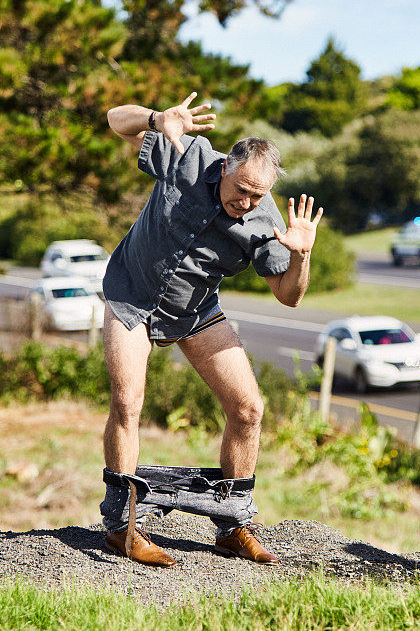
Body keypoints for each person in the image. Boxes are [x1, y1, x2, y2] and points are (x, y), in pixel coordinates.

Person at [99, 92, 323, 567]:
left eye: (256, 195)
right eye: (240, 188)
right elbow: (116, 121)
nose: (245, 202)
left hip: (195, 313)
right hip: (131, 296)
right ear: (225, 168)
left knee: (248, 409)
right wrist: (157, 118)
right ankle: (121, 528)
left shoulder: (263, 219)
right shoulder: (188, 156)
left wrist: (301, 256)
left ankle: (232, 523)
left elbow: (290, 295)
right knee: (128, 401)